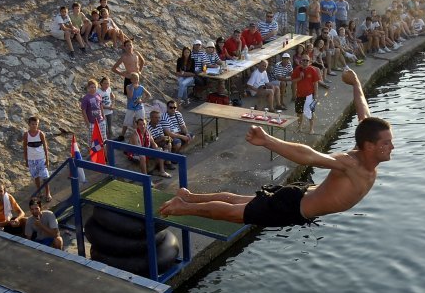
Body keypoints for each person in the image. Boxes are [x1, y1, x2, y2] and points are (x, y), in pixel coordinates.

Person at [160, 69, 393, 227]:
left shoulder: (365, 141)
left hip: (303, 193)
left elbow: (364, 111)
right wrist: (270, 141)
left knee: (239, 200)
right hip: (294, 207)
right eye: (386, 143)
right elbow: (308, 156)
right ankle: (182, 207)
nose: (392, 146)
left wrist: (357, 83)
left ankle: (190, 196)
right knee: (233, 213)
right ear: (370, 146)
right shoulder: (351, 164)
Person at [22, 116, 52, 203]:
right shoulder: (26, 135)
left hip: (40, 158)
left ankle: (48, 193)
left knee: (45, 177)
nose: (34, 126)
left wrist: (47, 158)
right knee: (36, 176)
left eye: (36, 124)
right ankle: (39, 192)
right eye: (32, 124)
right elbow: (24, 147)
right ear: (29, 124)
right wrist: (26, 160)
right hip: (31, 159)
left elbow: (45, 146)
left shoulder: (40, 134)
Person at [291, 54, 321, 134]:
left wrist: (316, 94)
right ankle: (299, 127)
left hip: (309, 95)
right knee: (299, 112)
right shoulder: (297, 69)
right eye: (303, 60)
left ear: (309, 61)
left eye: (307, 60)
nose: (305, 62)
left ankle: (311, 128)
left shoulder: (312, 70)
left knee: (310, 112)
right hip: (299, 95)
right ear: (301, 61)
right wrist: (300, 78)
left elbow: (316, 83)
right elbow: (293, 81)